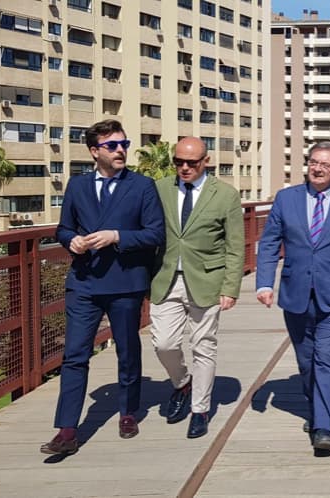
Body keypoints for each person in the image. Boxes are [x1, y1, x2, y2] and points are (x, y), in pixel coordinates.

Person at [42, 119, 165, 455]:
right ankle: (67, 429)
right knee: (75, 355)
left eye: (123, 144)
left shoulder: (142, 186)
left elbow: (155, 234)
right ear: (95, 151)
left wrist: (117, 236)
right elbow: (63, 229)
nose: (120, 150)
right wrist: (73, 242)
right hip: (83, 282)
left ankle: (128, 412)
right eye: (112, 145)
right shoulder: (77, 186)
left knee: (127, 350)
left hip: (125, 283)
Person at [256, 142, 330, 452]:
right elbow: (268, 244)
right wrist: (264, 283)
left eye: (325, 164)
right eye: (313, 162)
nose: (318, 168)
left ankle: (324, 426)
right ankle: (317, 404)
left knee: (327, 357)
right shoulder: (286, 199)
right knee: (306, 359)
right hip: (296, 294)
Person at [148, 137, 245, 439]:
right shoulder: (160, 189)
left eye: (191, 162)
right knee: (163, 343)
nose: (184, 167)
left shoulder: (226, 195)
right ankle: (182, 383)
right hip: (165, 279)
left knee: (203, 346)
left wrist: (230, 288)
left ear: (206, 161)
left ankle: (199, 409)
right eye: (178, 162)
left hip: (207, 281)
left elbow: (235, 246)